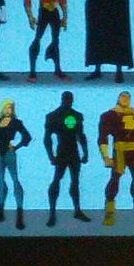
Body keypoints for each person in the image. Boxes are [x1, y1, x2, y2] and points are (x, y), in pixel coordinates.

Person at [98, 92, 134, 225]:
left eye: (127, 97)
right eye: (123, 97)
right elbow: (103, 137)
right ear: (118, 98)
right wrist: (106, 156)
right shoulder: (109, 115)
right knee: (115, 179)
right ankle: (109, 213)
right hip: (120, 151)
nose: (125, 99)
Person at [44, 91, 91, 227]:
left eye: (70, 99)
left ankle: (77, 210)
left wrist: (85, 152)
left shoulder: (76, 115)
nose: (68, 101)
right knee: (57, 179)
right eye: (66, 99)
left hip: (73, 152)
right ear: (63, 99)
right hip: (62, 152)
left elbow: (80, 135)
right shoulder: (53, 116)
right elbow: (47, 138)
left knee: (75, 181)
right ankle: (52, 213)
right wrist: (51, 155)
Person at [85, 0, 133, 83]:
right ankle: (113, 70)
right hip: (112, 16)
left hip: (105, 16)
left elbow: (92, 0)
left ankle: (107, 70)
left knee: (105, 41)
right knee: (109, 41)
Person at [24, 0, 70, 83]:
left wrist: (65, 16)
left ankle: (57, 69)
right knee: (38, 38)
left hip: (54, 10)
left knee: (56, 39)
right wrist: (30, 16)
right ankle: (32, 71)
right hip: (44, 10)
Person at [0, 99, 31, 229]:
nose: (8, 110)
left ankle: (19, 216)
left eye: (10, 108)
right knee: (1, 182)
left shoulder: (16, 122)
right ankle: (0, 213)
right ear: (2, 109)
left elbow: (27, 137)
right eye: (6, 107)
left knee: (15, 180)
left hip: (9, 153)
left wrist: (16, 146)